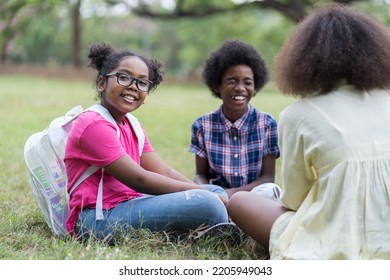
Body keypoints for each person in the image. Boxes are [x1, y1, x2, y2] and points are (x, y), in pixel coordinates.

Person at [227, 4, 390, 259]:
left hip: (331, 244)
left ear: (305, 59)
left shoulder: (298, 115)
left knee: (241, 201)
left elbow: (294, 200)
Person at [64, 42, 229, 244]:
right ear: (101, 83)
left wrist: (200, 191)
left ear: (145, 95)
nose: (133, 85)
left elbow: (164, 172)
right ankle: (217, 232)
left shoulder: (132, 125)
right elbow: (139, 179)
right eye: (123, 77)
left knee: (215, 192)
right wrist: (200, 194)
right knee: (208, 203)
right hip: (97, 220)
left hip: (129, 204)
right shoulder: (93, 123)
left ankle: (204, 229)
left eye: (142, 82)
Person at [189, 40, 280, 199]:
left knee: (271, 190)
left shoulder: (267, 124)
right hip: (217, 199)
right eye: (232, 81)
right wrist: (209, 193)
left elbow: (267, 178)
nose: (240, 88)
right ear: (217, 85)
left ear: (255, 86)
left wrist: (231, 194)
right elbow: (200, 175)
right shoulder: (202, 126)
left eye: (247, 82)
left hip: (253, 197)